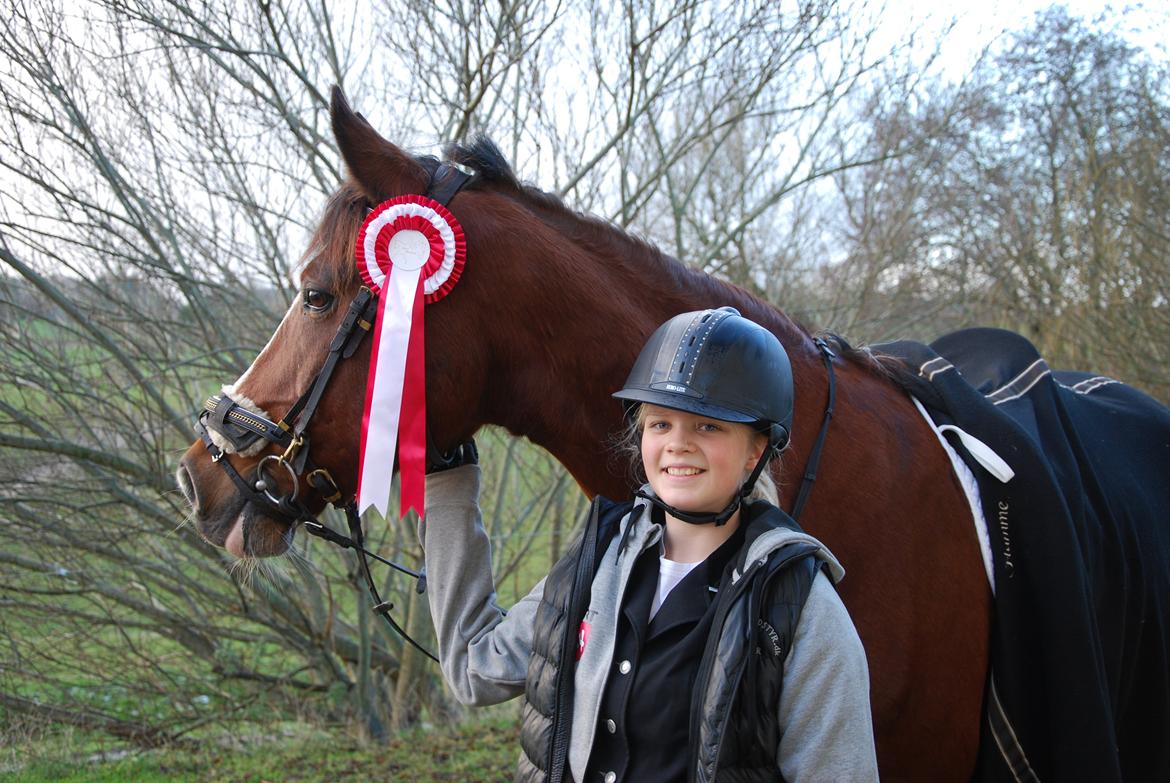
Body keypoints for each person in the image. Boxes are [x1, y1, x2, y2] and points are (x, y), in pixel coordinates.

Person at [420, 307, 878, 782]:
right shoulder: (596, 559)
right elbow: (477, 667)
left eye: (708, 425)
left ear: (756, 450)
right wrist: (446, 480)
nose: (677, 443)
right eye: (661, 424)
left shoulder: (800, 606)